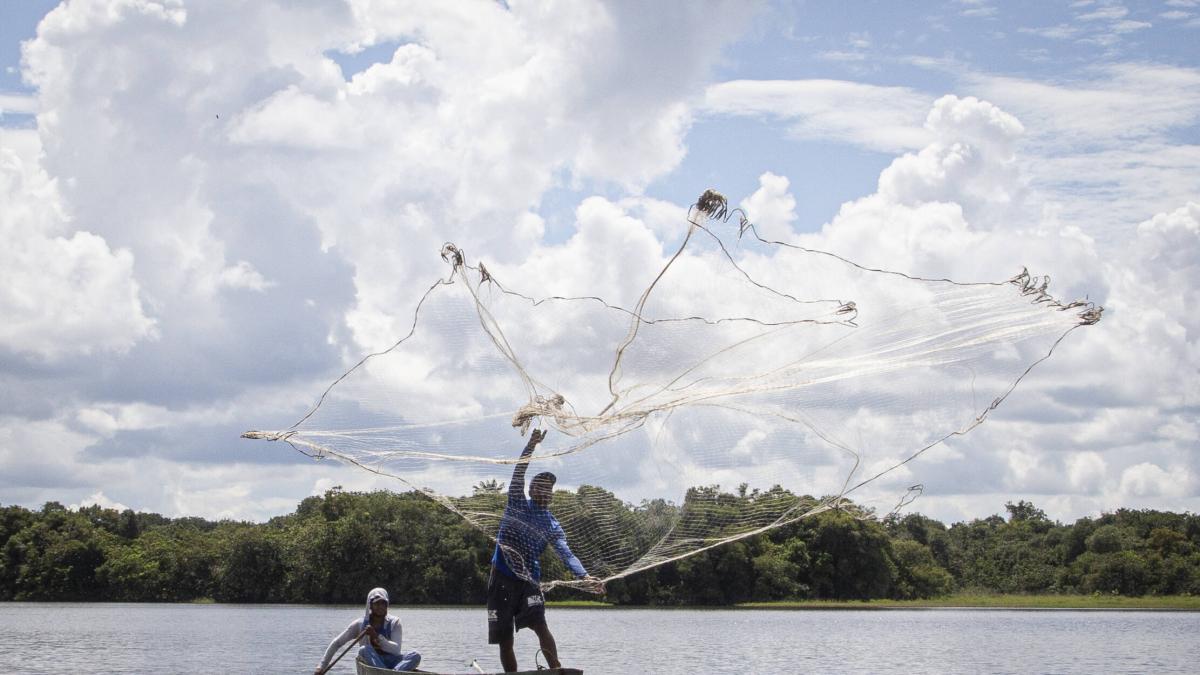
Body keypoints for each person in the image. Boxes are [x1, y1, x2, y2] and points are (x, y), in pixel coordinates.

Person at [488, 428, 602, 672]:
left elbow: (566, 552)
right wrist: (531, 445)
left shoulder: (551, 523)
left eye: (549, 487)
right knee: (506, 637)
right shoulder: (517, 503)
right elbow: (519, 472)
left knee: (540, 624)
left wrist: (584, 576)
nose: (545, 490)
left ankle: (556, 670)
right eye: (540, 486)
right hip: (503, 577)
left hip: (530, 579)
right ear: (530, 491)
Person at [315, 587, 421, 673]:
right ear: (370, 605)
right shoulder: (360, 624)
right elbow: (337, 643)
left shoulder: (394, 623)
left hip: (392, 662)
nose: (381, 607)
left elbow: (396, 650)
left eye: (383, 603)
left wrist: (376, 636)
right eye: (377, 604)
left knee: (415, 655)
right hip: (372, 660)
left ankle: (392, 673)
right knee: (364, 650)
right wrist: (321, 666)